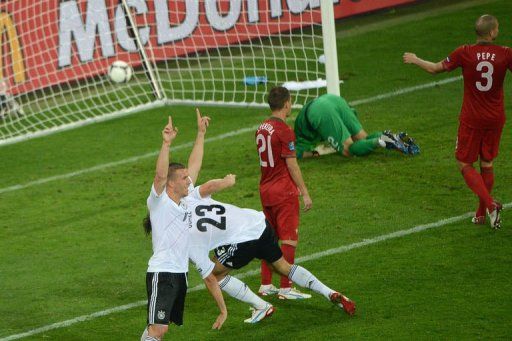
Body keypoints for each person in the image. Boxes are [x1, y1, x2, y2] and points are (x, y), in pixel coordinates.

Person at [184, 174, 356, 323]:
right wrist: (199, 135)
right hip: (260, 223)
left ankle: (261, 306)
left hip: (242, 239)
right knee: (282, 267)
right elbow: (196, 171)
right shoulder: (189, 194)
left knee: (216, 274)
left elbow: (208, 277)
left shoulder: (183, 226)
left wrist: (223, 311)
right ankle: (330, 292)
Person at [403, 14, 512, 229]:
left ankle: (490, 205)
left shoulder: (465, 53)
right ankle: (481, 214)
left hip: (472, 118)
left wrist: (415, 59)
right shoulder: (506, 54)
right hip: (495, 117)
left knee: (464, 163)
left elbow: (435, 68)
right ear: (492, 33)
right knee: (487, 163)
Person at [140, 111, 227, 341]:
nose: (189, 181)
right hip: (163, 271)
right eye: (183, 178)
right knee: (159, 329)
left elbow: (195, 164)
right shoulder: (159, 202)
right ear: (171, 183)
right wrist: (166, 143)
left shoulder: (186, 199)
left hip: (180, 273)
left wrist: (200, 133)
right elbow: (159, 176)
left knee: (160, 327)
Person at [255, 86, 313, 299]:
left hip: (265, 190)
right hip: (283, 192)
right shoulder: (284, 131)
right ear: (287, 103)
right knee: (288, 240)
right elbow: (292, 165)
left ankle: (265, 284)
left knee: (269, 239)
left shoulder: (261, 128)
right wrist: (304, 192)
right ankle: (286, 288)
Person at [294, 93, 419, 159]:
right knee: (363, 139)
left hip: (320, 111)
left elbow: (296, 153)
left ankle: (381, 141)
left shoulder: (298, 138)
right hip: (332, 99)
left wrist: (314, 154)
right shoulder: (299, 125)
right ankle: (391, 137)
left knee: (348, 149)